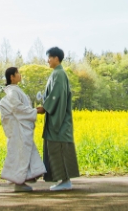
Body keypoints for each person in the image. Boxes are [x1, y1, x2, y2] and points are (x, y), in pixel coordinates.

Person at [37, 46, 80, 191]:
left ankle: (65, 181)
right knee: (56, 150)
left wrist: (45, 107)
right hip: (57, 120)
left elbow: (56, 96)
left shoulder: (59, 74)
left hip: (59, 122)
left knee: (59, 149)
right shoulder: (56, 73)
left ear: (56, 58)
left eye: (49, 57)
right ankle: (63, 180)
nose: (47, 60)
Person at [0, 66, 46, 191]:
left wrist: (33, 111)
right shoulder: (12, 92)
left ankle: (24, 180)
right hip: (18, 130)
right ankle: (19, 183)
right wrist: (35, 111)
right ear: (12, 77)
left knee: (25, 154)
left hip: (21, 129)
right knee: (21, 155)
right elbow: (17, 108)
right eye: (17, 73)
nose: (20, 75)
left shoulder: (15, 90)